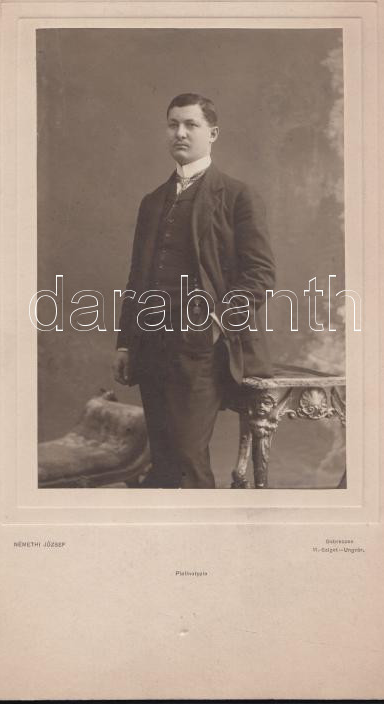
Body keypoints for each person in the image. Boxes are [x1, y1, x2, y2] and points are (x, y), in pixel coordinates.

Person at [113, 93, 275, 488]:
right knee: (164, 461)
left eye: (191, 124)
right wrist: (125, 343)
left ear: (213, 133)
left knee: (188, 459)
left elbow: (260, 274)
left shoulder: (236, 196)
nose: (180, 133)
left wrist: (217, 323)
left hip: (202, 349)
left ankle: (204, 526)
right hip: (151, 344)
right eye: (173, 125)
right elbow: (137, 279)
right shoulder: (153, 202)